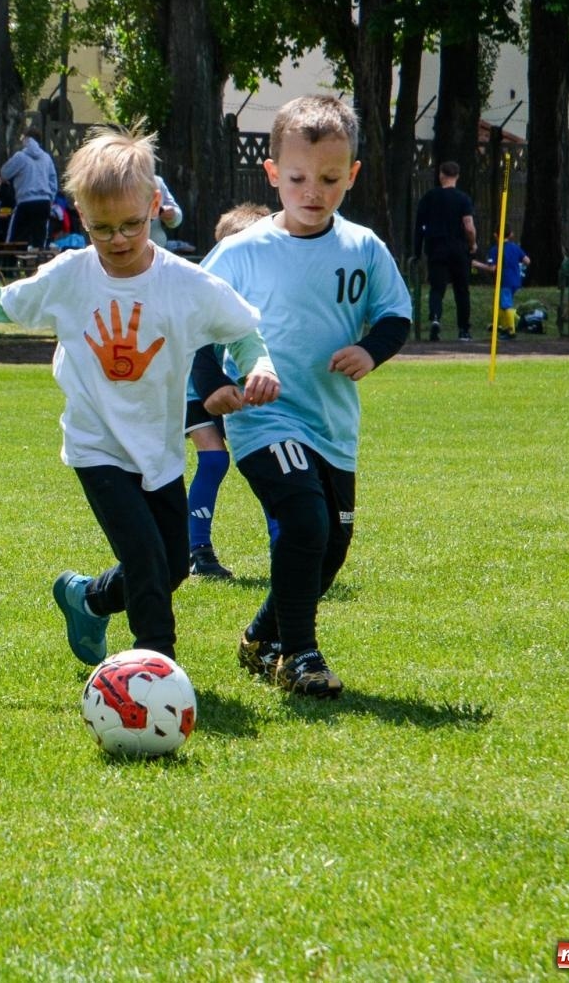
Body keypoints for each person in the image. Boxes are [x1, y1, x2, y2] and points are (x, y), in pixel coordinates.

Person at [0, 126, 278, 666]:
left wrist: (260, 367)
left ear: (153, 206)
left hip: (158, 450)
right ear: (81, 216)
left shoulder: (188, 283)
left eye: (131, 224)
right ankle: (155, 666)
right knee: (145, 558)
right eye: (101, 228)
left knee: (172, 565)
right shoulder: (70, 276)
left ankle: (87, 598)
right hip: (96, 446)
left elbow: (244, 332)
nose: (118, 239)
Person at [191, 95, 412, 698]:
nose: (313, 192)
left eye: (329, 179)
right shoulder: (242, 251)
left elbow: (395, 315)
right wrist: (213, 387)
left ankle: (260, 637)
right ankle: (300, 656)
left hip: (332, 424)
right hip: (265, 420)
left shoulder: (363, 248)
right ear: (272, 174)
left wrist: (370, 350)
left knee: (330, 549)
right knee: (304, 521)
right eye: (297, 179)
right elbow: (195, 322)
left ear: (352, 175)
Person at [183, 201, 274, 580]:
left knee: (269, 463)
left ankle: (287, 548)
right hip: (188, 386)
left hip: (228, 384)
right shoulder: (209, 284)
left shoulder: (260, 287)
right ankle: (198, 552)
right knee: (214, 460)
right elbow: (196, 343)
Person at [414, 161, 477, 342]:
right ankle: (464, 329)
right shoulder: (463, 198)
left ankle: (435, 317)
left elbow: (419, 226)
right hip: (458, 248)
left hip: (436, 248)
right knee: (462, 289)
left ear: (441, 175)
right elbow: (468, 226)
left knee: (437, 288)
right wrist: (472, 244)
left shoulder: (429, 197)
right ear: (457, 176)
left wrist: (417, 251)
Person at [0, 125, 60, 251]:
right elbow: (53, 181)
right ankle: (38, 261)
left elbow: (4, 173)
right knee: (40, 240)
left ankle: (13, 262)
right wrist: (50, 198)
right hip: (44, 202)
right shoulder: (46, 158)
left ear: (27, 139)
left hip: (25, 201)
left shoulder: (20, 156)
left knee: (16, 238)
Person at [473, 227, 529, 340]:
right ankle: (503, 327)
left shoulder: (495, 249)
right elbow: (527, 261)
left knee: (506, 305)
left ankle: (511, 330)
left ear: (495, 235)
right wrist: (518, 268)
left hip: (504, 281)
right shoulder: (515, 247)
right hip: (516, 280)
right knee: (501, 304)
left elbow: (492, 268)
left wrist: (476, 264)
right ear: (511, 234)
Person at [148, 174, 185, 251]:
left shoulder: (157, 182)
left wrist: (173, 216)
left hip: (156, 249)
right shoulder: (121, 183)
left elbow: (177, 214)